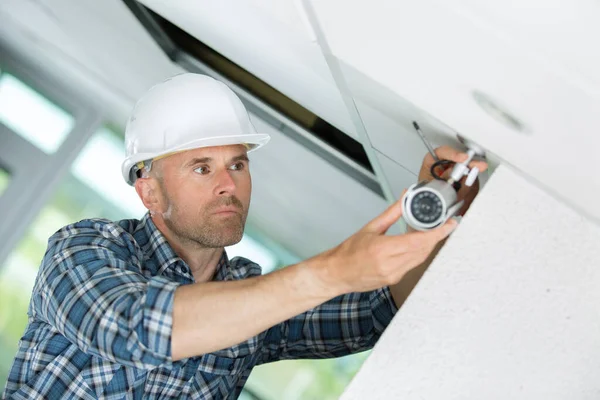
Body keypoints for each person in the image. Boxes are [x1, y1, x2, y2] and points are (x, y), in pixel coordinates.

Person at [2, 73, 487, 399]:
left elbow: (379, 310)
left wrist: (437, 213)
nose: (228, 184)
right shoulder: (82, 251)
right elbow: (137, 328)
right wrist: (332, 270)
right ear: (149, 191)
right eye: (201, 167)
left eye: (237, 163)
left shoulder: (249, 299)